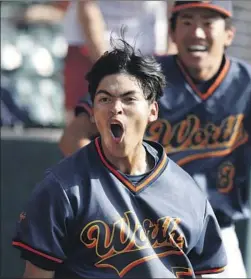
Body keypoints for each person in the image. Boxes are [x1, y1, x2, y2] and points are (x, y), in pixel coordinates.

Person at [58, 1, 251, 278]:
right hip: (146, 235)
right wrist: (103, 190)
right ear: (171, 33)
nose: (197, 32)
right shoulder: (143, 79)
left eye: (208, 23)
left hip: (218, 232)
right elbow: (73, 136)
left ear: (229, 34)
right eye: (186, 22)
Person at [12, 38, 227, 278]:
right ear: (92, 113)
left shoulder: (187, 191)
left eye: (129, 98)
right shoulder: (62, 188)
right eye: (105, 99)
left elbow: (205, 270)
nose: (116, 107)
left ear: (153, 110)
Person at [62, 0, 176, 124]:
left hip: (149, 41)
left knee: (152, 124)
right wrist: (106, 67)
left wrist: (170, 58)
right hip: (88, 44)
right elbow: (87, 5)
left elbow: (175, 5)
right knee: (82, 124)